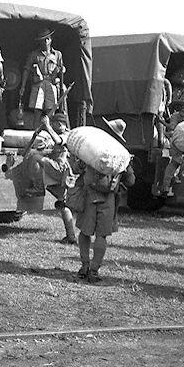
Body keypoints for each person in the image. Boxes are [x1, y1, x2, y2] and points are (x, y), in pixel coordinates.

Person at [73, 118, 135, 283]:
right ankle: (94, 270)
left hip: (89, 196)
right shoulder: (123, 155)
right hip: (109, 199)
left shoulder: (92, 149)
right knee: (102, 236)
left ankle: (84, 266)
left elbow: (76, 168)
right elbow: (131, 181)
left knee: (85, 232)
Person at [35, 113, 77, 244]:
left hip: (60, 168)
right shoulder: (59, 133)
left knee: (34, 156)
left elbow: (59, 141)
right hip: (60, 170)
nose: (52, 125)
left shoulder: (66, 135)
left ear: (60, 125)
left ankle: (36, 186)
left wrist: (47, 126)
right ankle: (71, 236)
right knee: (62, 203)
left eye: (54, 124)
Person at [19, 28, 66, 129]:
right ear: (39, 41)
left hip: (51, 83)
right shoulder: (34, 55)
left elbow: (61, 70)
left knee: (51, 110)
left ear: (51, 39)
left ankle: (50, 132)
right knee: (37, 109)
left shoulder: (57, 54)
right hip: (38, 84)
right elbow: (26, 70)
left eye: (47, 39)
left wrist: (61, 87)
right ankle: (36, 132)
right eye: (43, 39)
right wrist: (22, 86)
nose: (45, 42)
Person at [155, 100, 184, 197]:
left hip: (179, 141)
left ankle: (166, 186)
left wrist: (161, 121)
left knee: (174, 164)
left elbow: (171, 127)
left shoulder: (176, 115)